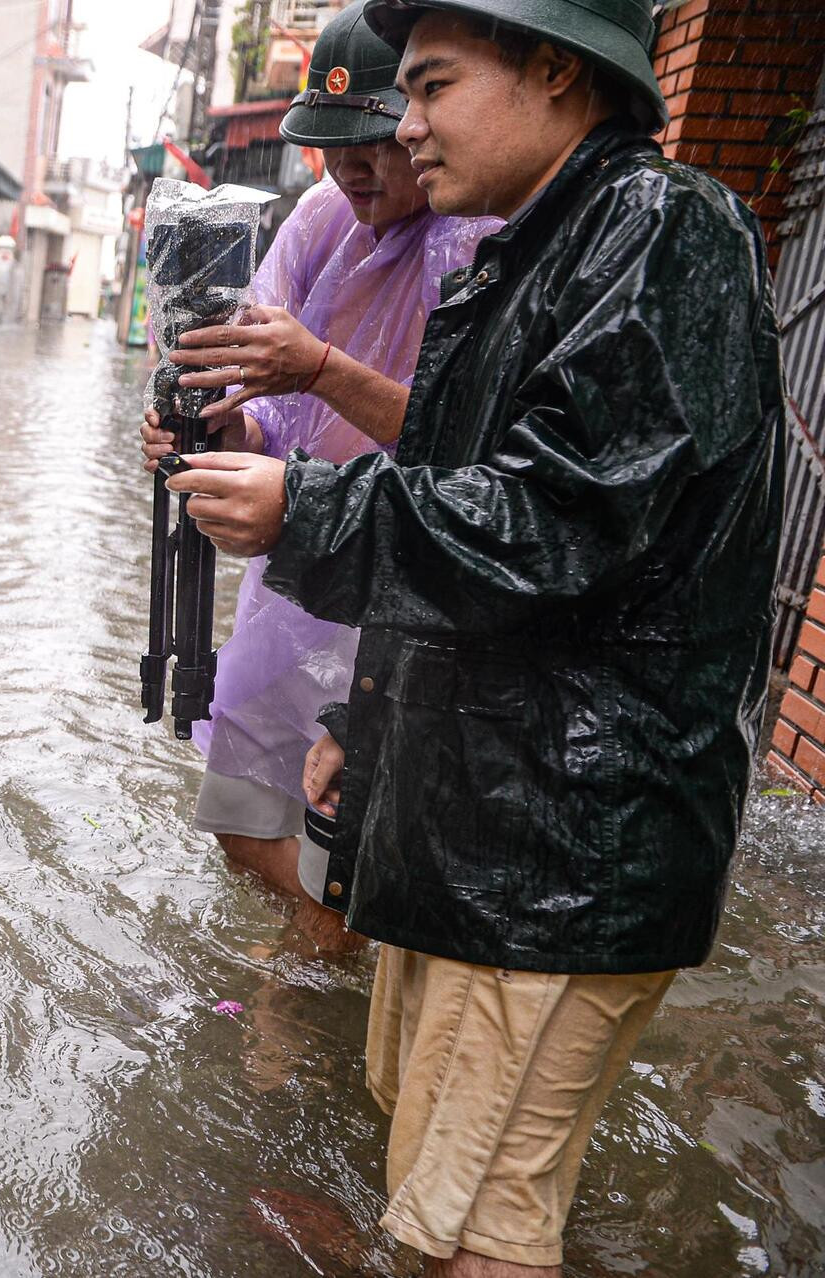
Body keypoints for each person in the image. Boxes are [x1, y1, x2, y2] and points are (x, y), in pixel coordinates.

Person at [165, 1, 784, 1272]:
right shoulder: (531, 252)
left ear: (558, 72)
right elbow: (465, 514)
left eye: (434, 85)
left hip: (563, 840)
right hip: (479, 807)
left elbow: (556, 522)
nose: (408, 121)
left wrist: (304, 506)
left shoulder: (661, 230)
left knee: (477, 1227)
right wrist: (370, 724)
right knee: (430, 1166)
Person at [139, 0, 498, 951]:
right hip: (294, 552)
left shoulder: (477, 238)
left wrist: (321, 369)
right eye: (335, 146)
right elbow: (268, 403)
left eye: (375, 143)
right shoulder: (318, 221)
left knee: (348, 841)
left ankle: (297, 1005)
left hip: (413, 572)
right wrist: (215, 426)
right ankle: (305, 960)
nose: (356, 167)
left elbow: (475, 450)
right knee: (242, 811)